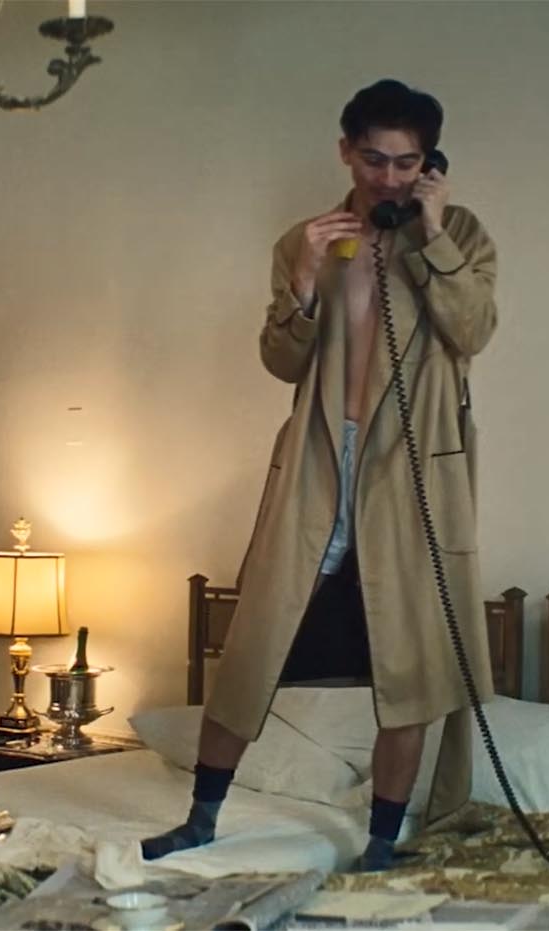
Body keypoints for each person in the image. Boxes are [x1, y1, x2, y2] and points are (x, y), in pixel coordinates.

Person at [141, 79, 499, 872]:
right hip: (317, 461)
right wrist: (303, 281)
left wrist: (433, 234)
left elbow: (471, 329)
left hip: (411, 474)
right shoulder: (306, 241)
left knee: (407, 663)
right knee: (252, 649)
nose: (389, 178)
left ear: (429, 164)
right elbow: (282, 361)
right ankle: (200, 819)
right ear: (346, 151)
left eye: (407, 163)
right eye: (374, 159)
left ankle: (381, 841)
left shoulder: (460, 235)